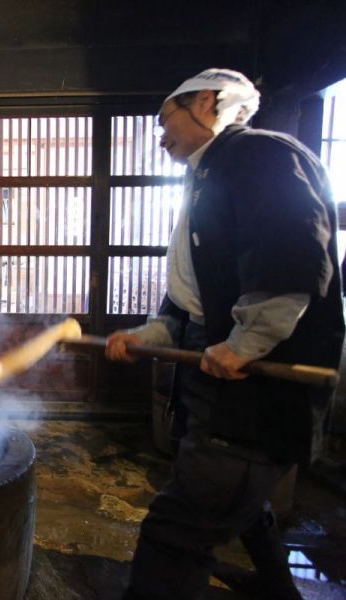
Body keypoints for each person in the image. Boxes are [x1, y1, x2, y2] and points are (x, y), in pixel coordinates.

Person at [104, 69, 344, 599]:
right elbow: (194, 290)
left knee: (176, 532)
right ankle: (279, 591)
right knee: (239, 499)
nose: (160, 132)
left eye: (165, 118)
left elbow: (291, 261)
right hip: (215, 362)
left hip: (254, 391)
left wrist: (243, 345)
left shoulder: (260, 156)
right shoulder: (209, 173)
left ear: (207, 103)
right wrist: (154, 332)